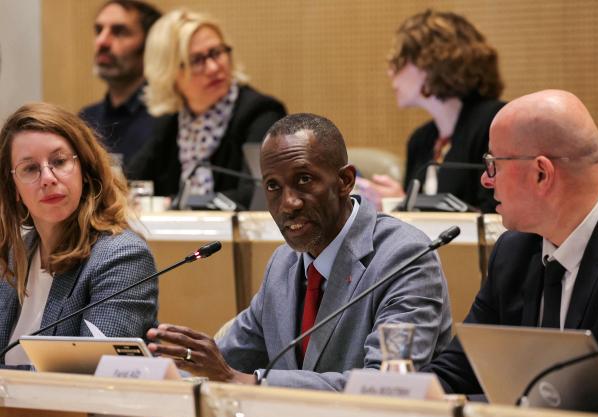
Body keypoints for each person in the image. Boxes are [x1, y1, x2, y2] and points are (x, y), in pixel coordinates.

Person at [147, 113, 451, 390]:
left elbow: (386, 387)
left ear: (345, 181)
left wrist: (248, 382)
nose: (288, 203)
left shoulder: (405, 257)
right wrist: (161, 376)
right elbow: (226, 358)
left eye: (304, 180)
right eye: (273, 187)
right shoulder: (283, 262)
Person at [424, 90, 598, 412]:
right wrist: (390, 394)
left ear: (541, 173)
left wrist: (473, 406)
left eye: (493, 164)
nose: (485, 180)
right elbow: (456, 372)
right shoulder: (513, 251)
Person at [0, 102, 158, 366]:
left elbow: (93, 374)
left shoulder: (121, 257)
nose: (48, 178)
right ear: (14, 187)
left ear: (84, 169)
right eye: (30, 168)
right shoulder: (10, 258)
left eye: (59, 162)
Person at [128, 9, 286, 208]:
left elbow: (256, 194)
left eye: (216, 53)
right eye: (197, 60)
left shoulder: (261, 114)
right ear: (169, 72)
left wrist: (179, 204)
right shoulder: (171, 122)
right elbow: (128, 184)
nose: (213, 68)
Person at [358, 9, 504, 213]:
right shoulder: (421, 140)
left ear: (431, 63)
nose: (390, 72)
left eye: (399, 61)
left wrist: (404, 203)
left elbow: (497, 217)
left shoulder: (496, 123)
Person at [79, 0, 161, 168]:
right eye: (99, 30)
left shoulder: (169, 119)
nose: (102, 41)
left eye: (119, 32)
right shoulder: (86, 120)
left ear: (150, 45)